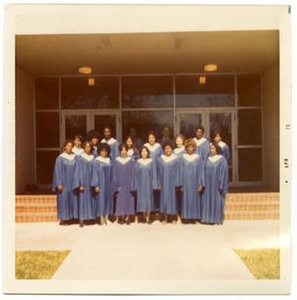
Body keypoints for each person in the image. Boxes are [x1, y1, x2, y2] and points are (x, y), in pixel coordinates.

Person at [201, 142, 228, 225]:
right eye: (210, 149)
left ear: (217, 149)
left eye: (213, 148)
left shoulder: (222, 159)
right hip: (208, 184)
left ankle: (216, 219)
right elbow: (203, 172)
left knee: (217, 201)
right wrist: (203, 183)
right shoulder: (207, 159)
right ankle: (208, 219)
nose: (211, 150)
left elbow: (224, 173)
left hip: (216, 185)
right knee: (207, 200)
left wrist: (221, 185)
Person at [179, 138, 205, 223]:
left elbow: (201, 171)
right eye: (188, 147)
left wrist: (200, 183)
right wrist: (181, 184)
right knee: (186, 199)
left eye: (192, 147)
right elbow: (180, 171)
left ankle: (194, 217)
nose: (190, 148)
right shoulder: (183, 158)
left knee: (195, 199)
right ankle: (186, 218)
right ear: (186, 148)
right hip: (186, 182)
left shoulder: (198, 158)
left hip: (195, 182)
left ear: (194, 148)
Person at [52, 139, 77, 225]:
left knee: (72, 199)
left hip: (73, 182)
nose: (70, 147)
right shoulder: (60, 158)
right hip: (64, 182)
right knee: (63, 200)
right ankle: (63, 219)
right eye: (68, 145)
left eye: (71, 146)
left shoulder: (75, 157)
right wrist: (59, 183)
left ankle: (71, 218)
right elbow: (57, 171)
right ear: (64, 147)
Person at [131, 146, 158, 224]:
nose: (144, 153)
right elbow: (135, 175)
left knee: (149, 199)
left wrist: (154, 184)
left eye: (145, 151)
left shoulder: (151, 161)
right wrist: (135, 185)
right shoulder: (138, 162)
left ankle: (148, 217)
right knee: (142, 200)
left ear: (148, 153)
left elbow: (154, 174)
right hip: (141, 184)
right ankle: (144, 216)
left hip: (149, 184)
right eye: (142, 151)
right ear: (140, 153)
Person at [91, 143, 115, 225]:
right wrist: (96, 185)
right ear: (99, 151)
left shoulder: (109, 160)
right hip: (101, 183)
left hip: (108, 183)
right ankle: (101, 218)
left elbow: (113, 173)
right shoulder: (96, 161)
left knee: (108, 199)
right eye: (102, 151)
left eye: (105, 151)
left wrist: (113, 184)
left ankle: (107, 218)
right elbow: (95, 173)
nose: (103, 152)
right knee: (101, 200)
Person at [73, 141, 95, 227]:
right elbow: (77, 171)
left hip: (91, 181)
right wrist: (79, 184)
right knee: (82, 200)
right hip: (83, 181)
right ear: (83, 147)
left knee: (91, 199)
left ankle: (90, 218)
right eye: (86, 146)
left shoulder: (93, 157)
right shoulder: (80, 157)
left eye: (89, 147)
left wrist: (95, 183)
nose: (88, 148)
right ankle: (81, 219)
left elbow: (96, 171)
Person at [157, 142, 180, 224]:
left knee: (173, 199)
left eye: (169, 148)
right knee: (164, 199)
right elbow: (158, 172)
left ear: (172, 149)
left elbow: (178, 171)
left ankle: (173, 217)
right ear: (164, 150)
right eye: (166, 148)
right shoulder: (160, 159)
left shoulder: (176, 159)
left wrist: (178, 183)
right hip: (163, 182)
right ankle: (164, 217)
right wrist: (159, 183)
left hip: (173, 182)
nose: (167, 150)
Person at [113, 144, 135, 225]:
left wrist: (133, 184)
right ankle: (121, 217)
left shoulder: (131, 160)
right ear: (119, 151)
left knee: (129, 199)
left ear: (127, 151)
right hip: (120, 184)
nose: (123, 152)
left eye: (125, 150)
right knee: (120, 199)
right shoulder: (116, 160)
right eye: (122, 150)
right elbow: (114, 173)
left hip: (129, 183)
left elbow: (134, 173)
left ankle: (128, 217)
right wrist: (116, 185)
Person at [144, 131, 163, 214]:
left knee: (156, 189)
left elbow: (161, 159)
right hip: (147, 170)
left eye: (153, 137)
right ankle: (148, 208)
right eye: (149, 138)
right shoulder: (145, 146)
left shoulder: (158, 147)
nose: (151, 139)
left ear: (155, 138)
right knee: (147, 189)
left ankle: (156, 208)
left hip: (156, 170)